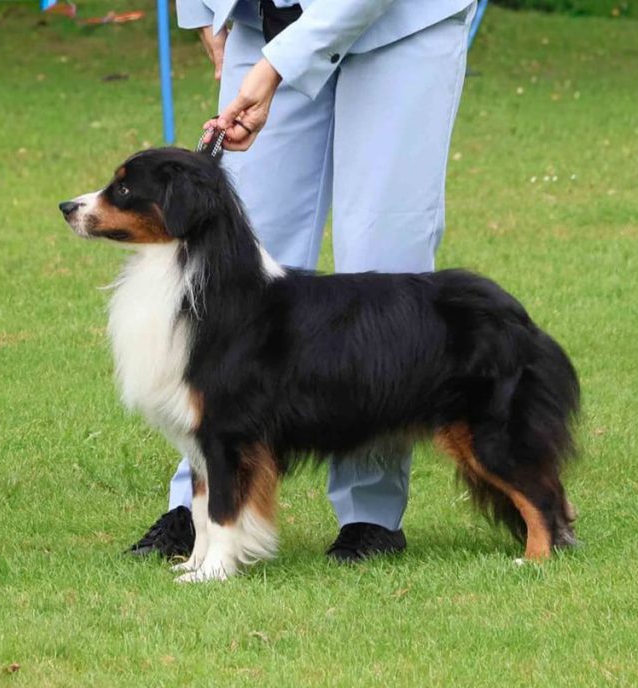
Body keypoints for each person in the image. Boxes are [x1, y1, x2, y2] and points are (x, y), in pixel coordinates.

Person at [130, 0, 477, 563]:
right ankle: (204, 506)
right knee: (229, 268)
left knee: (382, 257)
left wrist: (275, 66)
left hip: (401, 26)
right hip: (260, 22)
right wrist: (202, 12)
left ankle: (371, 514)